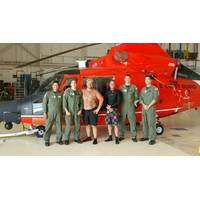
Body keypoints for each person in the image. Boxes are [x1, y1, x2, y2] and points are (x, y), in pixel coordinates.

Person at [82, 78, 104, 145]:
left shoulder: (95, 91)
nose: (89, 84)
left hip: (92, 110)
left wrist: (98, 109)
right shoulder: (82, 91)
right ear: (86, 84)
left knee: (93, 125)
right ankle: (88, 137)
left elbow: (101, 99)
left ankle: (95, 138)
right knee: (87, 125)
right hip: (85, 110)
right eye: (88, 83)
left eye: (91, 83)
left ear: (92, 84)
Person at [140, 76, 159, 145]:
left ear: (151, 80)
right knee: (144, 122)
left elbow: (155, 98)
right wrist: (144, 105)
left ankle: (153, 139)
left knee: (151, 123)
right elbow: (140, 98)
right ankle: (145, 136)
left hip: (151, 108)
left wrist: (148, 106)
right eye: (145, 79)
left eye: (148, 79)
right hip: (144, 108)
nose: (146, 80)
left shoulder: (154, 89)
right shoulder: (143, 89)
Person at [63, 79, 83, 145]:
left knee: (77, 125)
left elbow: (81, 102)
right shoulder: (67, 91)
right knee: (68, 126)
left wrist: (80, 110)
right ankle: (66, 139)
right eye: (72, 83)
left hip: (77, 111)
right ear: (70, 84)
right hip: (69, 111)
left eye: (75, 83)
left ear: (76, 84)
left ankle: (76, 138)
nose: (74, 84)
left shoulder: (79, 92)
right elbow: (64, 102)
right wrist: (66, 111)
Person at [43, 80, 63, 146]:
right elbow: (44, 103)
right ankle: (47, 140)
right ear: (52, 86)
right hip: (50, 113)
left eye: (57, 85)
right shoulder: (48, 93)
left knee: (59, 127)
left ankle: (59, 140)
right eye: (54, 85)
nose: (55, 86)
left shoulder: (61, 94)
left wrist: (63, 112)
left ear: (58, 86)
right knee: (48, 127)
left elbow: (63, 104)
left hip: (59, 113)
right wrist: (45, 112)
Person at [119, 74, 138, 142]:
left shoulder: (134, 87)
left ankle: (134, 136)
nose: (127, 79)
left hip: (131, 107)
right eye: (126, 78)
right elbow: (119, 97)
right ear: (124, 79)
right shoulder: (121, 87)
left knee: (132, 121)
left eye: (128, 78)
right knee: (121, 121)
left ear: (130, 79)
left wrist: (136, 102)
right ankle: (121, 135)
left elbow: (136, 97)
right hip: (123, 107)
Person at [104, 80, 120, 144]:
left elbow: (118, 101)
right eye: (111, 84)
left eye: (113, 84)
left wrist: (112, 107)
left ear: (114, 84)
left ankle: (116, 138)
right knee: (109, 124)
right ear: (109, 85)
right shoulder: (107, 92)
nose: (112, 85)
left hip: (114, 110)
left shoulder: (117, 92)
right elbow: (105, 101)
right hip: (108, 110)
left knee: (115, 124)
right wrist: (108, 107)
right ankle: (110, 137)